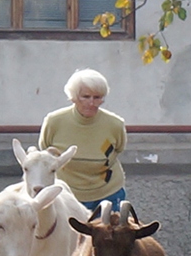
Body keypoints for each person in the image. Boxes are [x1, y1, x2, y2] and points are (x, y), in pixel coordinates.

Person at [39, 68, 127, 212]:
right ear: (73, 97)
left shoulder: (115, 124)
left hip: (108, 193)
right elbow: (45, 152)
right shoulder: (54, 122)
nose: (91, 103)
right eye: (85, 97)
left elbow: (119, 148)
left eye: (97, 97)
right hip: (65, 194)